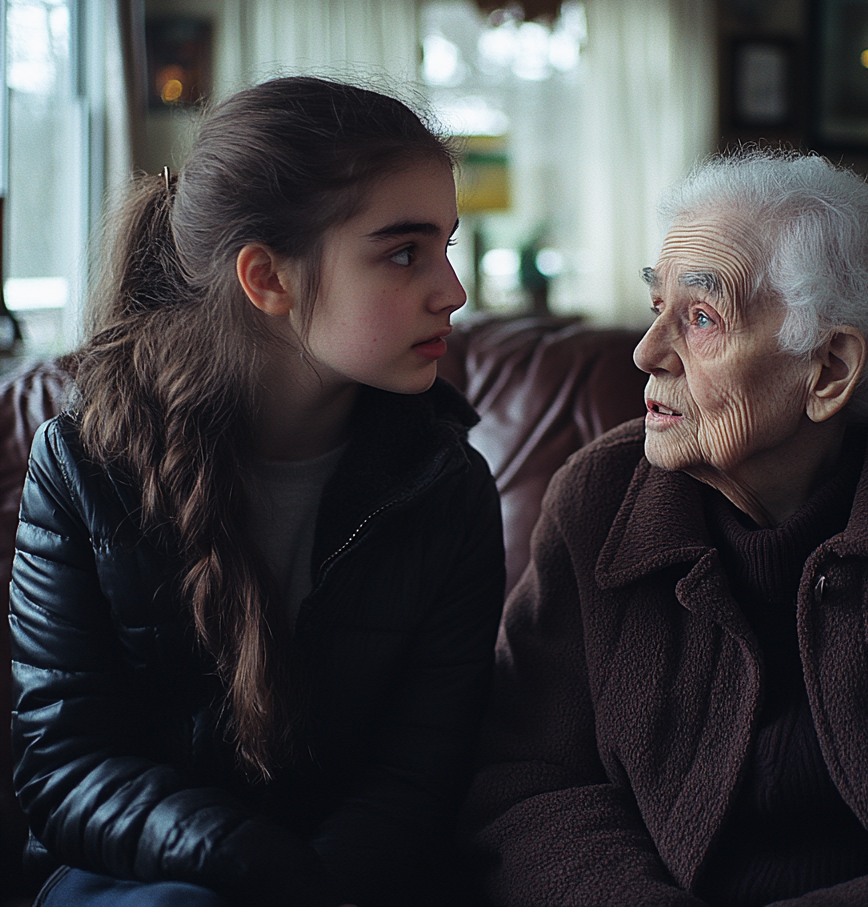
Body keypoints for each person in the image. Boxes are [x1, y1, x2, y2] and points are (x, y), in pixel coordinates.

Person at [464, 150, 868, 906]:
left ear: (828, 370)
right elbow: (526, 778)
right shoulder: (596, 501)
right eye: (655, 305)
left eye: (699, 317)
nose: (646, 352)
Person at [10, 77, 506, 907]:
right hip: (137, 877)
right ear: (267, 277)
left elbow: (418, 777)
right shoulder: (86, 465)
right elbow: (66, 766)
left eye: (447, 247)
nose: (452, 291)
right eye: (403, 252)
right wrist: (245, 866)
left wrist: (309, 886)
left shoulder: (447, 491)